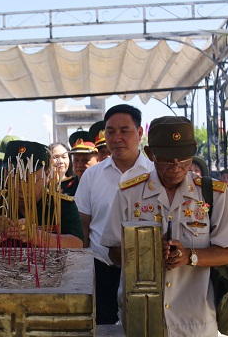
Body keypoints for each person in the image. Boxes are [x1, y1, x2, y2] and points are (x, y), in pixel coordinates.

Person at [101, 116, 228, 336]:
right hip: (143, 316)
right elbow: (113, 251)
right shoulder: (129, 193)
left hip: (196, 319)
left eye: (184, 160)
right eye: (166, 160)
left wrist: (190, 256)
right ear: (150, 154)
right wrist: (148, 251)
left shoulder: (214, 195)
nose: (176, 167)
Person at [75, 104, 154, 325]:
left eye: (124, 131)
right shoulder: (92, 175)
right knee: (103, 327)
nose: (117, 138)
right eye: (110, 132)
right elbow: (83, 225)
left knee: (144, 326)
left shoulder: (154, 173)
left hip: (146, 271)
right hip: (101, 269)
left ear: (139, 132)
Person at [0, 140, 83, 248]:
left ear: (47, 175)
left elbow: (77, 243)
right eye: (14, 179)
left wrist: (36, 236)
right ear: (5, 175)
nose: (22, 187)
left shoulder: (61, 204)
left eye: (30, 179)